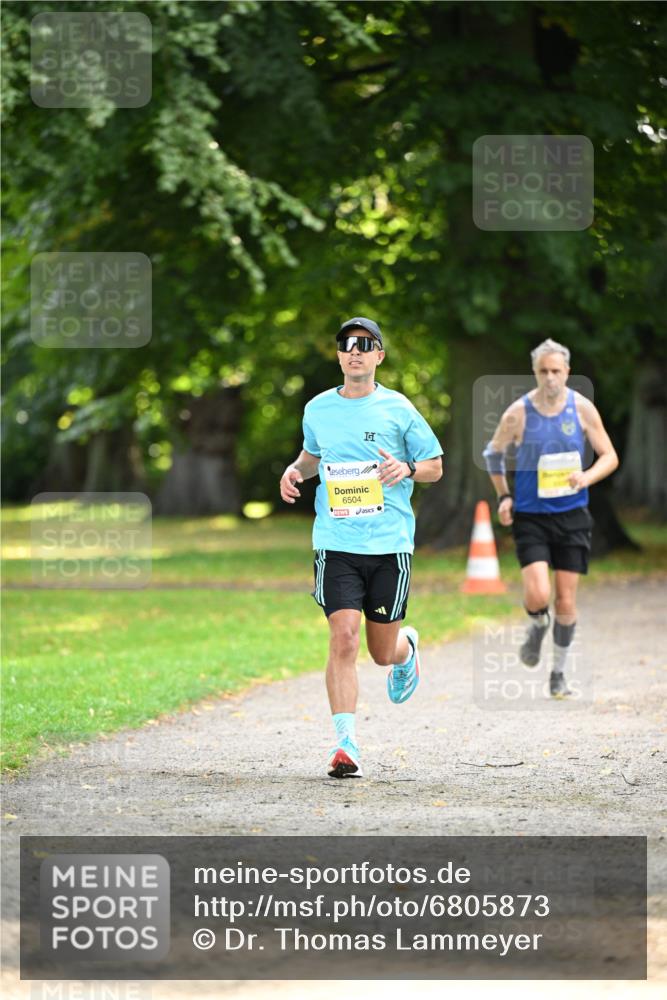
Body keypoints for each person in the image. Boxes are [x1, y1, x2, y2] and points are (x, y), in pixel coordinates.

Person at [279, 317, 443, 778]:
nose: (355, 351)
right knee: (344, 637)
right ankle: (345, 743)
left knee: (379, 651)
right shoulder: (317, 409)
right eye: (347, 344)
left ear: (378, 355)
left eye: (364, 345)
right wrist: (294, 472)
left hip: (389, 543)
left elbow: (434, 466)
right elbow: (311, 458)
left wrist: (407, 470)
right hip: (336, 541)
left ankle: (405, 651)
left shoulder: (398, 408)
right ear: (338, 355)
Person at [483, 338, 619, 697]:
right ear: (535, 372)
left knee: (566, 601)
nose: (550, 377)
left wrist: (586, 477)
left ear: (567, 372)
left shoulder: (582, 409)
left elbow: (609, 455)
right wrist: (504, 495)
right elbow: (492, 454)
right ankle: (537, 623)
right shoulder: (518, 413)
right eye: (543, 371)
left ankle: (558, 673)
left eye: (556, 371)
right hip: (531, 515)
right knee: (539, 593)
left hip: (572, 514)